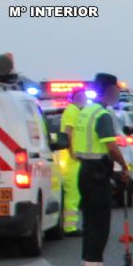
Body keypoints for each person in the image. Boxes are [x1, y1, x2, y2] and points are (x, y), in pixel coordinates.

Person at [74, 73, 130, 266]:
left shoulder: (85, 111)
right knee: (99, 228)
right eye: (115, 90)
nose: (117, 94)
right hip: (97, 173)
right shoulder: (102, 114)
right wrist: (124, 167)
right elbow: (112, 147)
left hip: (85, 171)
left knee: (90, 226)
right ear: (108, 90)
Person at [60, 89, 87, 236]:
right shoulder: (71, 111)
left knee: (75, 193)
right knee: (73, 193)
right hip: (71, 159)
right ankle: (69, 227)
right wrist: (72, 152)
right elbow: (68, 131)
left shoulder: (77, 111)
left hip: (74, 158)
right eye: (80, 97)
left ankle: (70, 225)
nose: (83, 99)